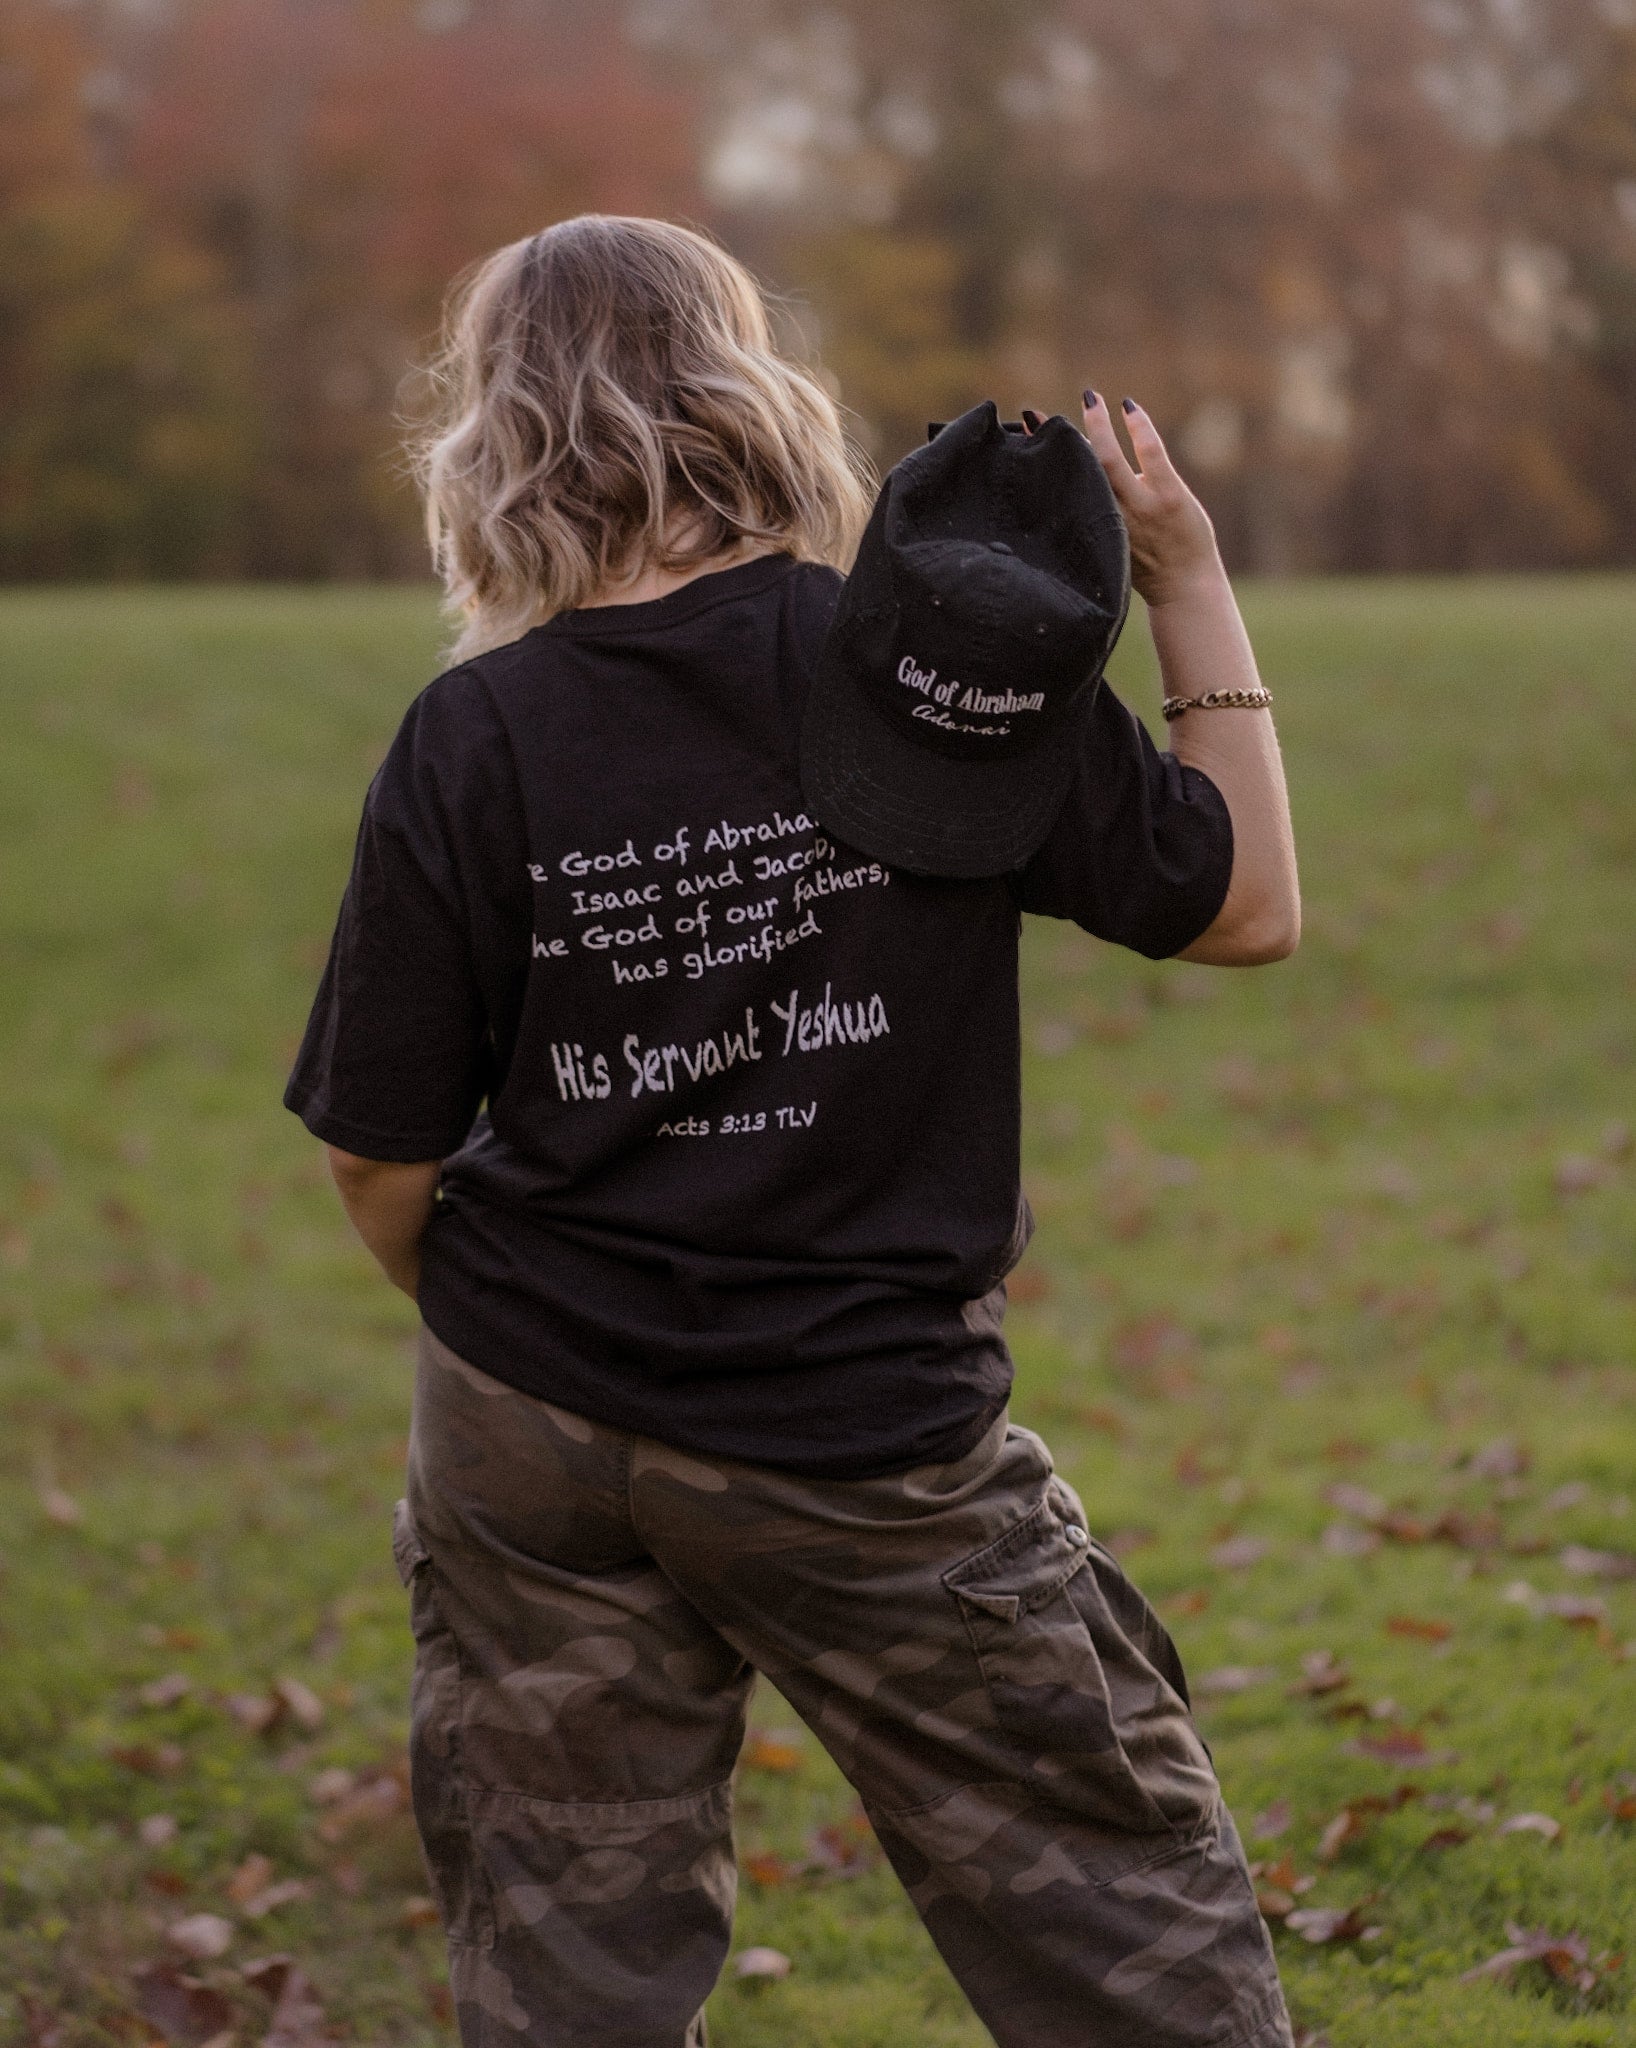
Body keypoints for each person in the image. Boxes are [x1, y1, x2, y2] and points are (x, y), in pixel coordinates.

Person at [285, 214, 1300, 2048]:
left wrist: (514, 1326)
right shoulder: (916, 668)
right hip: (856, 1436)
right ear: (748, 389)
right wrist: (1189, 584)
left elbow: (377, 1148)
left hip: (528, 1427)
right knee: (1120, 1914)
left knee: (564, 1966)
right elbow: (1244, 909)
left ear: (495, 434)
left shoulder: (470, 734)